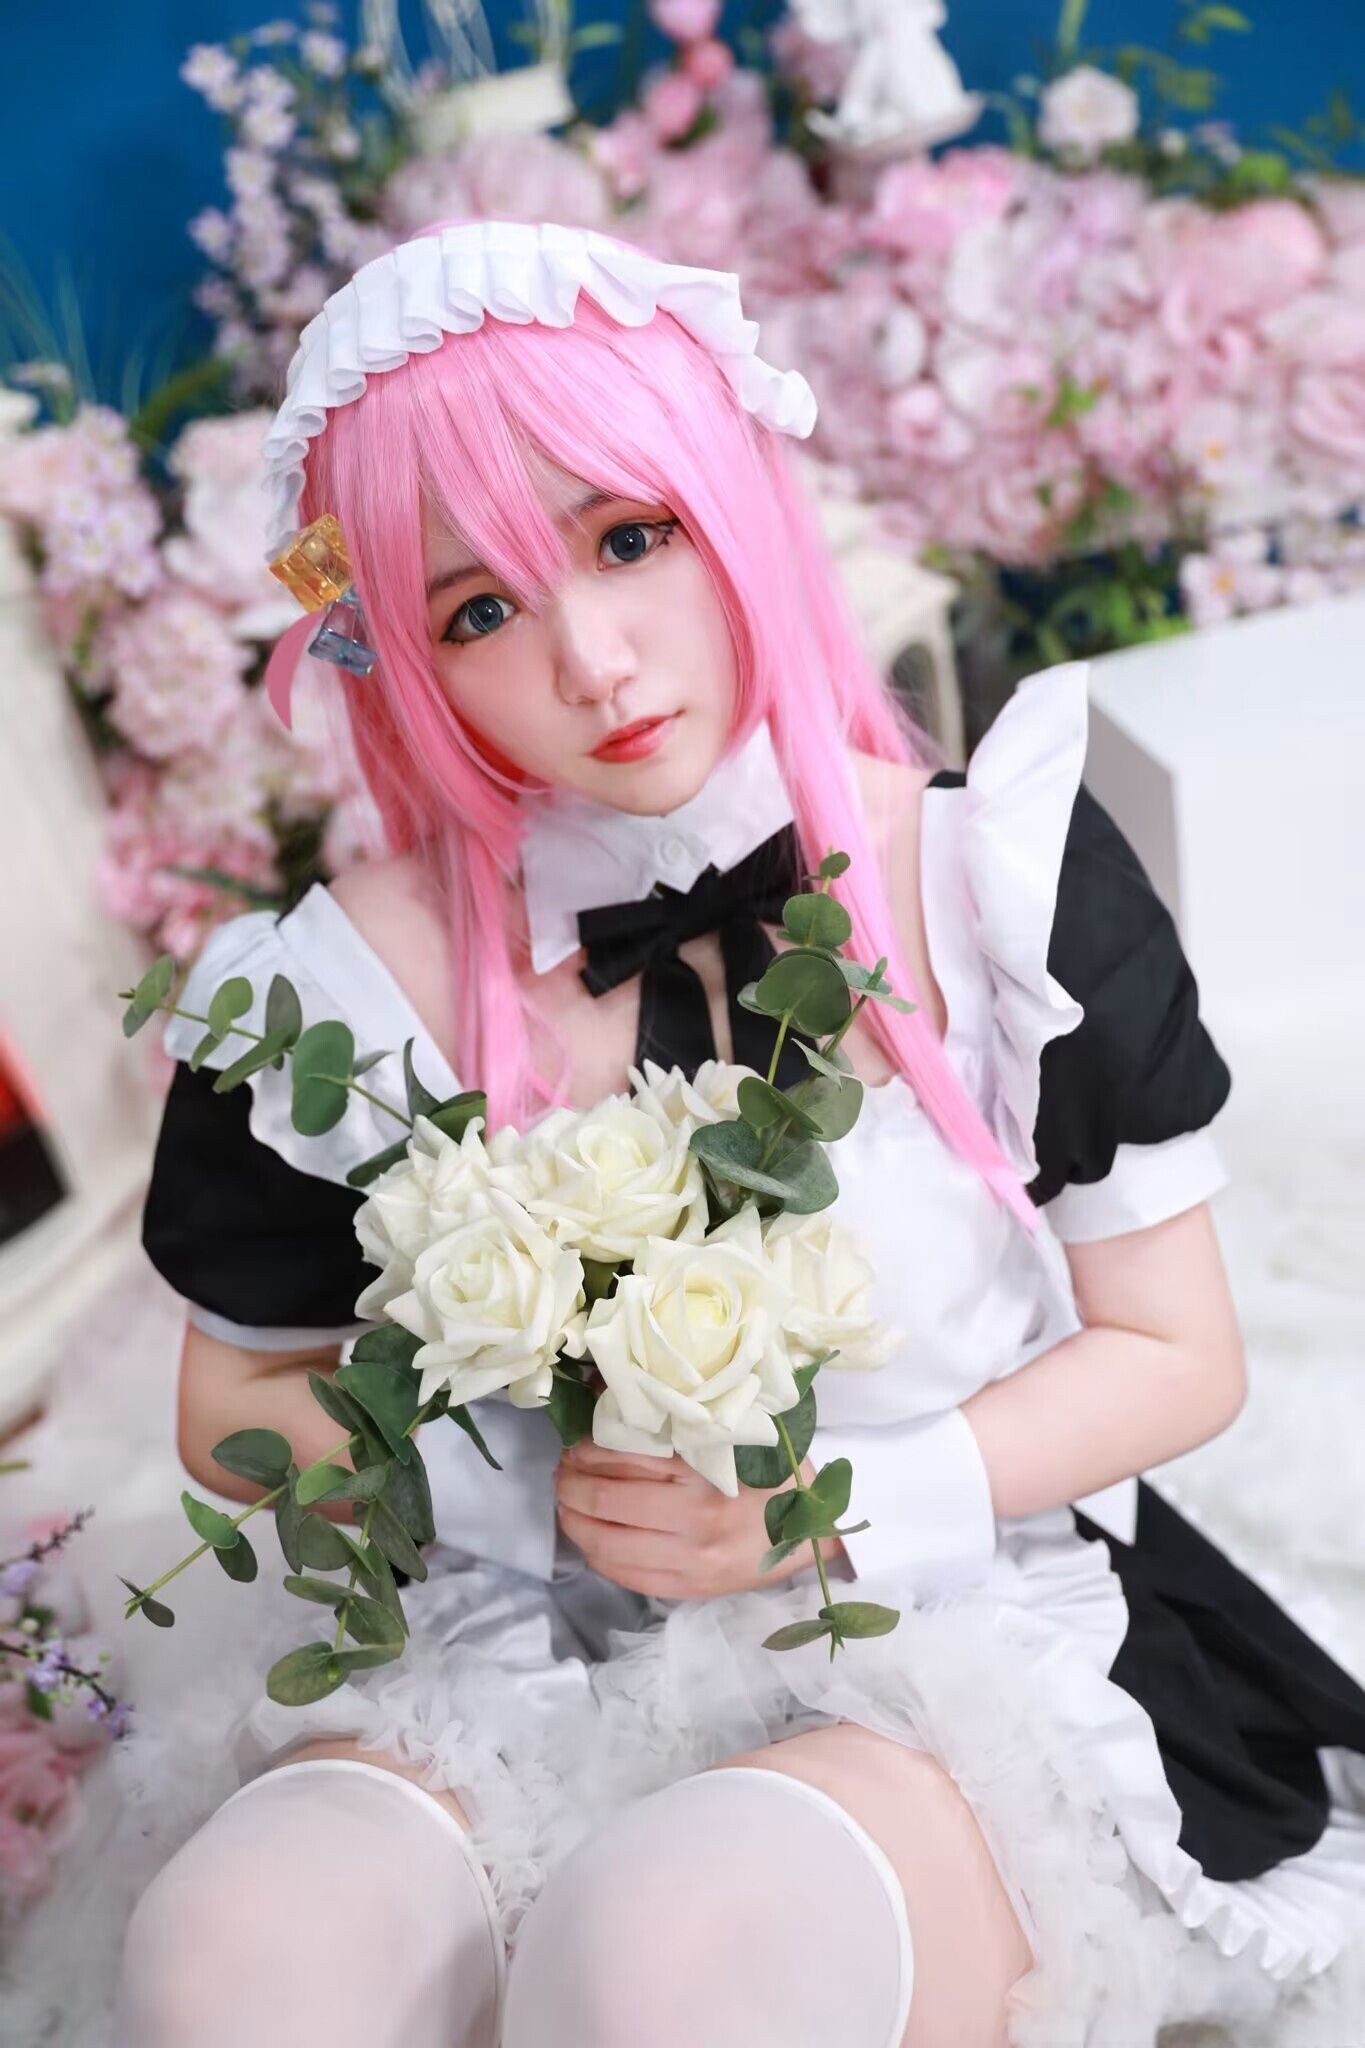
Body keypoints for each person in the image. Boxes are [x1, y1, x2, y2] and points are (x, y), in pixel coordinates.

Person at [112, 219, 1365, 2048]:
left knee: (674, 1960)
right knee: (237, 1962)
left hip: (925, 1628)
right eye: (477, 611)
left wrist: (812, 1514)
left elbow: (1176, 1353)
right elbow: (235, 1398)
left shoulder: (981, 874)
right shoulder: (334, 991)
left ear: (732, 497)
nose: (593, 657)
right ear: (405, 659)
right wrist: (521, 1492)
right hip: (508, 1642)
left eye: (629, 537)